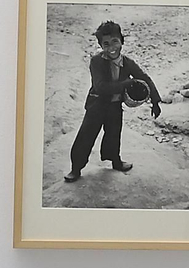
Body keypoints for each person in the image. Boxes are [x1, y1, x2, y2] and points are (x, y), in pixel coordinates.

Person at [64, 20, 163, 181]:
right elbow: (100, 87)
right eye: (106, 44)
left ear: (122, 41)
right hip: (96, 105)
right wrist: (125, 84)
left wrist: (155, 101)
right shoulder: (96, 62)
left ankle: (115, 161)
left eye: (115, 41)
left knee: (113, 135)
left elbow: (145, 78)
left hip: (114, 106)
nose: (111, 47)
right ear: (101, 46)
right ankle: (76, 168)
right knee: (86, 136)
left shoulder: (128, 63)